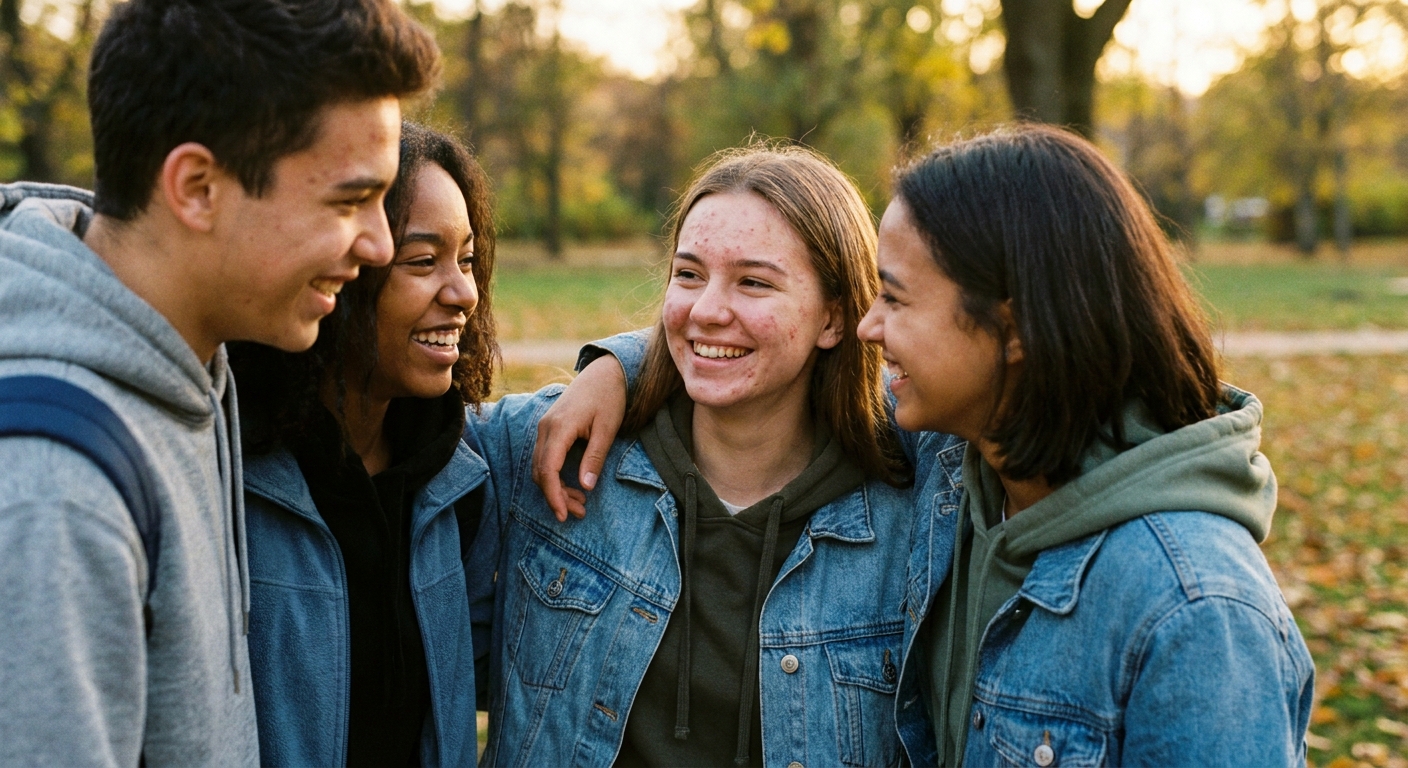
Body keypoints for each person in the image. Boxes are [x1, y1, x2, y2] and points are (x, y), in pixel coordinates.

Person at [0, 1, 439, 764]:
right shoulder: (54, 492)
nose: (377, 245)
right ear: (197, 187)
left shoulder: (192, 367)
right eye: (349, 200)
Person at [473, 145, 963, 767]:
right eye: (688, 275)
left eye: (754, 282)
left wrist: (621, 363)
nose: (706, 310)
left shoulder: (920, 501)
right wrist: (622, 364)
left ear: (835, 319)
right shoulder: (553, 447)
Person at [855, 124, 1314, 765]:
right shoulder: (960, 475)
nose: (866, 325)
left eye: (894, 298)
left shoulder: (1195, 611)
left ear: (1014, 331)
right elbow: (785, 379)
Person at [230, 122, 498, 767]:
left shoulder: (466, 468)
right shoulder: (228, 474)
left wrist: (613, 365)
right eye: (420, 260)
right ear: (335, 267)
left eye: (466, 258)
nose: (464, 292)